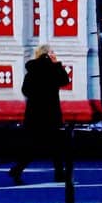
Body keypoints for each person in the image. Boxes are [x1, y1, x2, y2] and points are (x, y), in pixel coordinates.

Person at [9, 45, 70, 184]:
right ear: (47, 55)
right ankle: (59, 174)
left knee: (33, 146)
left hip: (34, 114)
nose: (55, 54)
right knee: (57, 146)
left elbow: (25, 91)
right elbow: (65, 81)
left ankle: (17, 170)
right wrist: (57, 65)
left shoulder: (31, 71)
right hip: (51, 113)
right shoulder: (52, 69)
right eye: (52, 52)